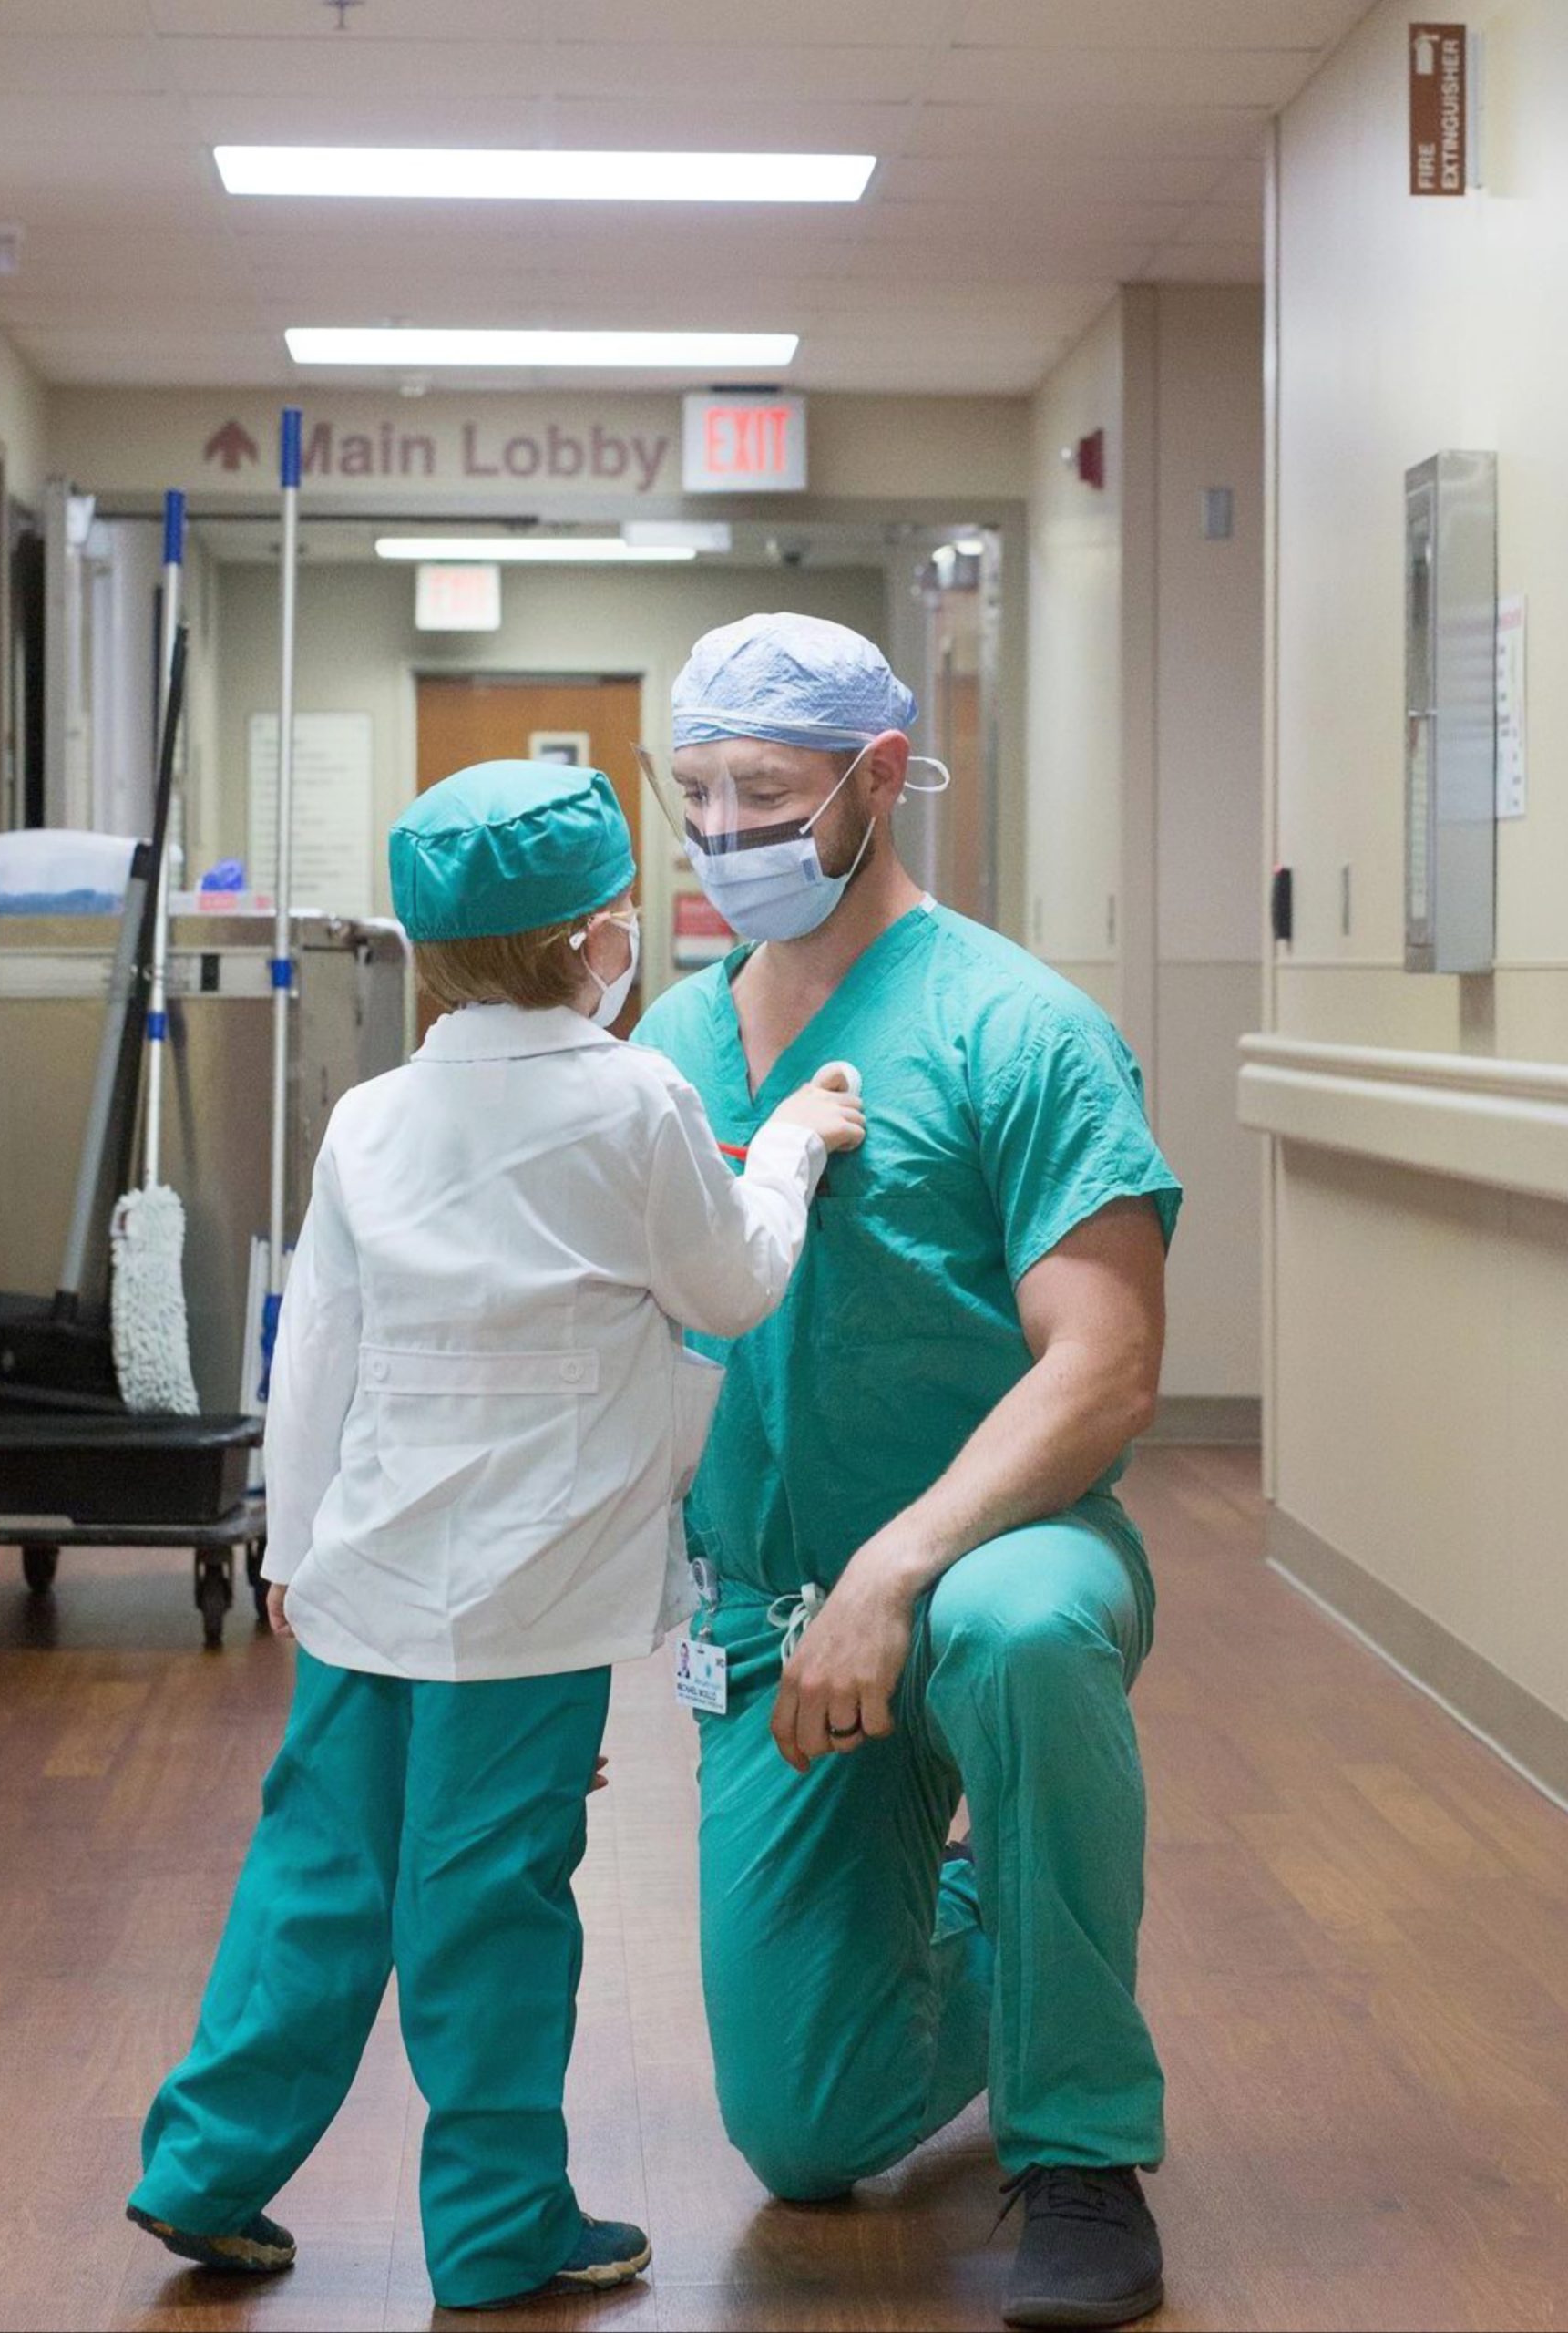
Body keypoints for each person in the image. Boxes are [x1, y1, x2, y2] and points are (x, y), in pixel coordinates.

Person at [126, 759, 864, 2312]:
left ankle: (204, 2168)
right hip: (528, 1610)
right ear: (599, 938)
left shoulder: (374, 1118)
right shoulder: (639, 1100)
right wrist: (790, 1144)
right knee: (491, 1907)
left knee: (315, 1881)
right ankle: (499, 2226)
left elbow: (312, 1348)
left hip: (367, 1577)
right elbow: (732, 1289)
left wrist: (285, 1550)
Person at [632, 615, 1183, 2331]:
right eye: (699, 795)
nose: (728, 838)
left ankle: (1082, 2155)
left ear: (881, 781)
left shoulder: (1019, 1030)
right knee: (809, 2130)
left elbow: (1104, 1364)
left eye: (769, 797)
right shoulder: (667, 1040)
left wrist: (896, 1572)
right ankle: (1010, 1911)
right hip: (772, 1614)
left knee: (1015, 1638)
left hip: (1002, 1551)